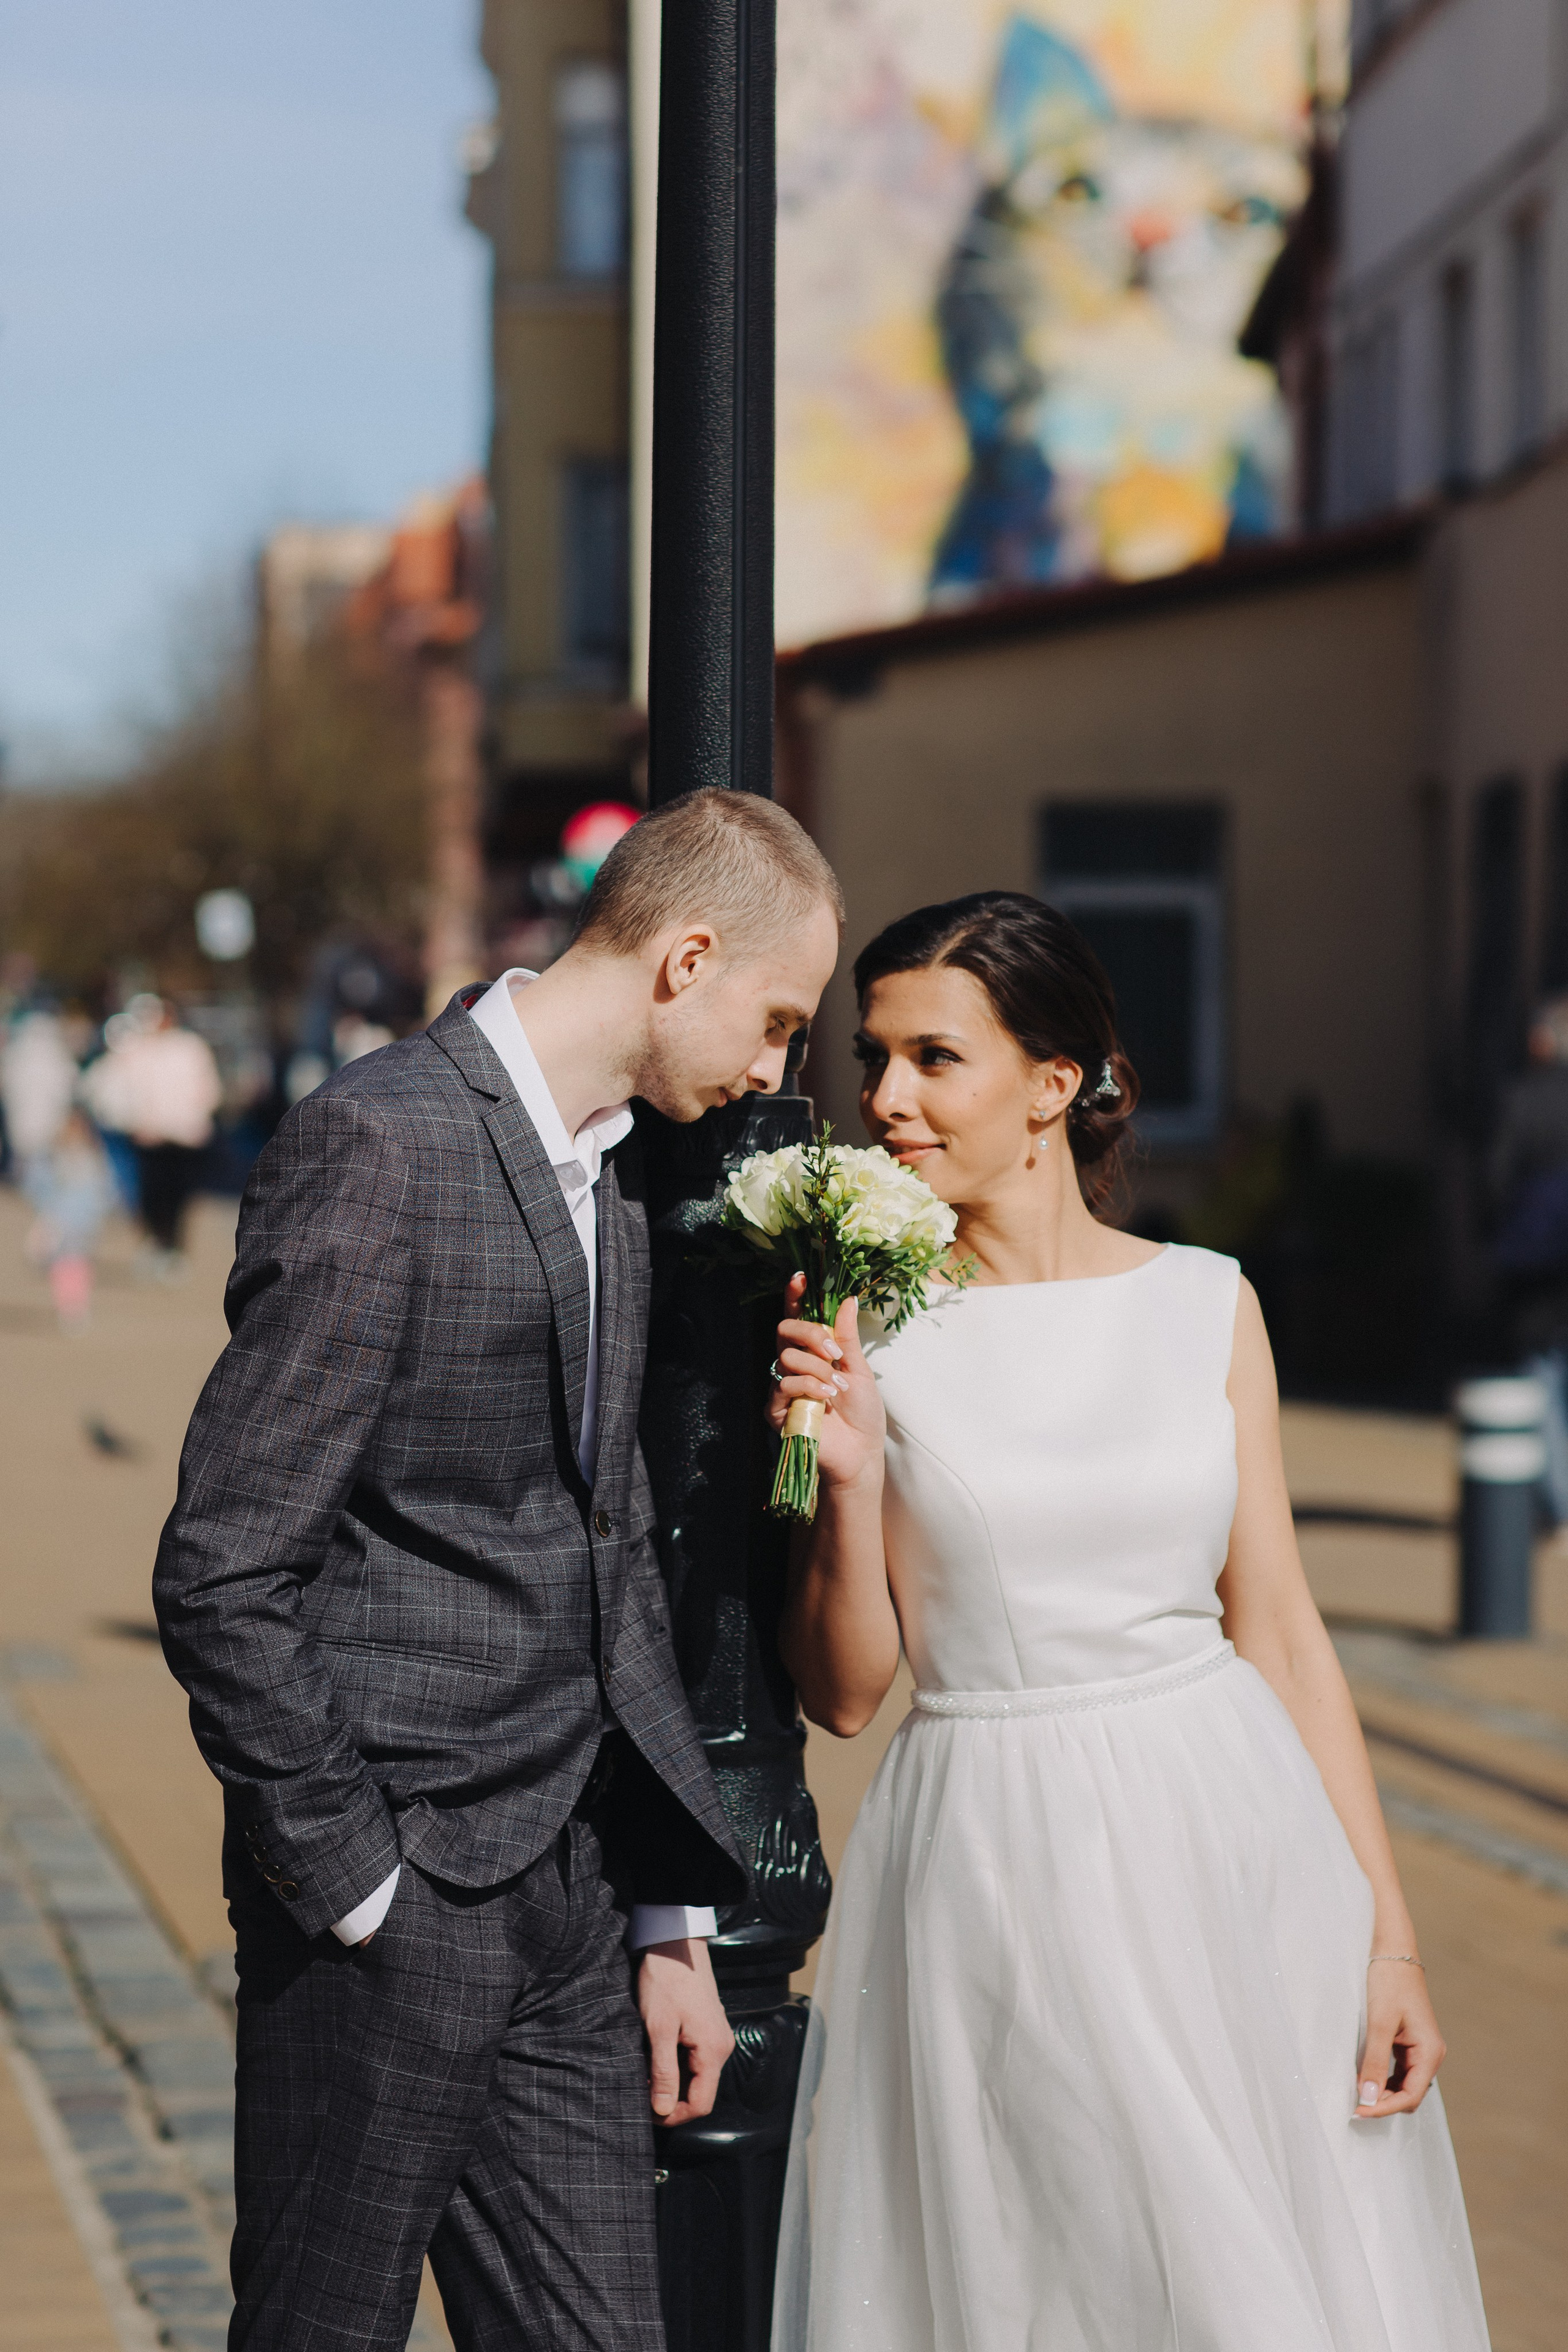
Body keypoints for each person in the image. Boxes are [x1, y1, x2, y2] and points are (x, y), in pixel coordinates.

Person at [153, 789, 844, 2352]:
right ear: (684, 959)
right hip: (389, 1904)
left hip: (574, 1901)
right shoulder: (379, 1143)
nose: (772, 1071)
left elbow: (606, 1550)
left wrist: (666, 1914)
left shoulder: (616, 1172)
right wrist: (355, 1886)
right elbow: (224, 1566)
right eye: (776, 1020)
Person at [769, 892, 1488, 2352]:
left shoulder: (1206, 1304)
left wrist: (1388, 1941)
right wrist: (843, 1483)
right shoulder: (859, 1323)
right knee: (1052, 2279)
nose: (885, 1097)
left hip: (1229, 1844)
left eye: (932, 1058)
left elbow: (1278, 1630)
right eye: (872, 1057)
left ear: (1052, 1084)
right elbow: (843, 1695)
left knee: (1259, 2282)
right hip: (992, 1858)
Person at [1491, 995, 1568, 1523]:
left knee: (1540, 1377)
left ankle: (1560, 1504)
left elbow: (1495, 1179)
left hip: (1538, 1266)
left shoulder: (1523, 1101)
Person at [83, 995, 222, 1276]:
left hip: (185, 1136)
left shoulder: (191, 1047)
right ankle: (156, 1245)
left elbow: (208, 1089)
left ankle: (174, 1249)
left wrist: (195, 1116)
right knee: (151, 1195)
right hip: (150, 1136)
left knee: (179, 1197)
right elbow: (119, 1087)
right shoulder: (139, 1049)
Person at [22, 1107, 118, 1330]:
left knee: (80, 1265)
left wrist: (103, 1211)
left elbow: (106, 1191)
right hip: (58, 1224)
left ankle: (78, 1304)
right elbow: (37, 1187)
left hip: (84, 1226)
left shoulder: (94, 1160)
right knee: (61, 1266)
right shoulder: (51, 1160)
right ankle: (67, 1305)